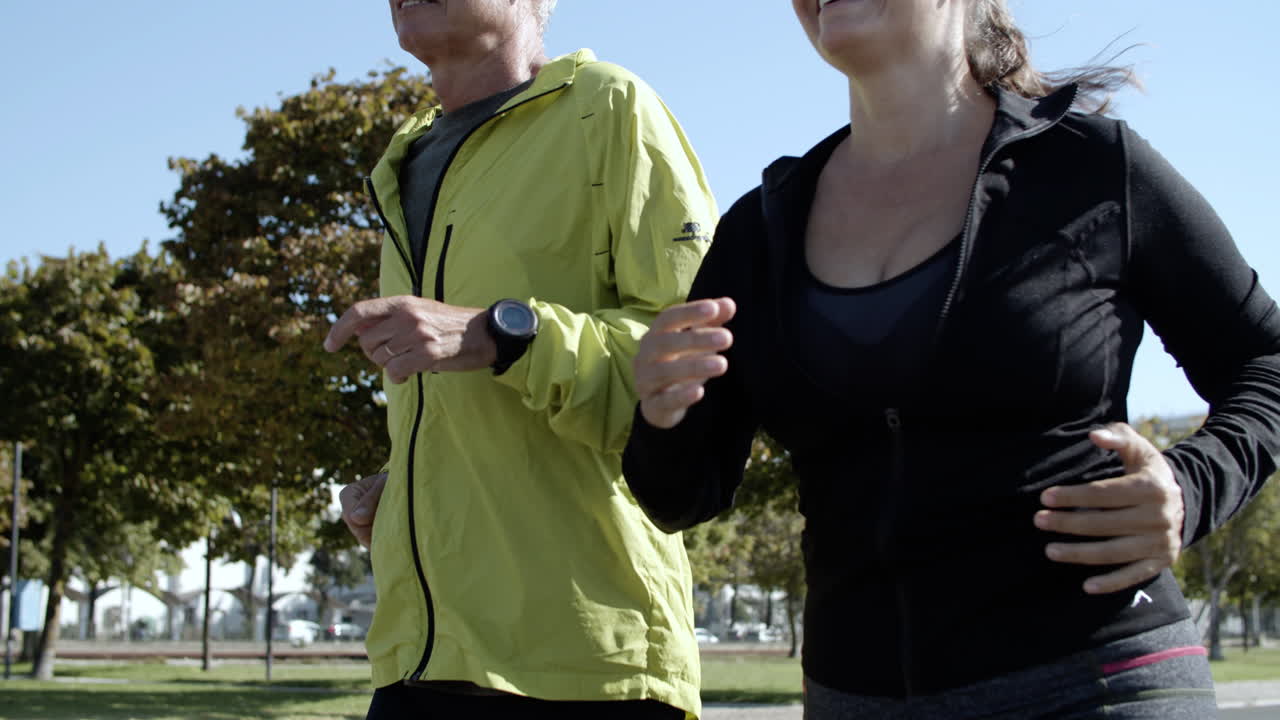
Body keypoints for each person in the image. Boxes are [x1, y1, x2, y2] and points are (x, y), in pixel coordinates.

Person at [622, 1, 1280, 718]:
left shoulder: (1093, 168)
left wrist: (1190, 488)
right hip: (856, 696)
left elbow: (1265, 362)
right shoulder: (759, 230)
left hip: (1096, 678)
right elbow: (679, 494)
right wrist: (662, 412)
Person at [323, 1, 716, 718]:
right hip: (418, 663)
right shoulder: (404, 159)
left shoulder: (611, 106)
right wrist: (406, 484)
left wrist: (505, 334)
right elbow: (465, 395)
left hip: (588, 662)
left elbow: (698, 360)